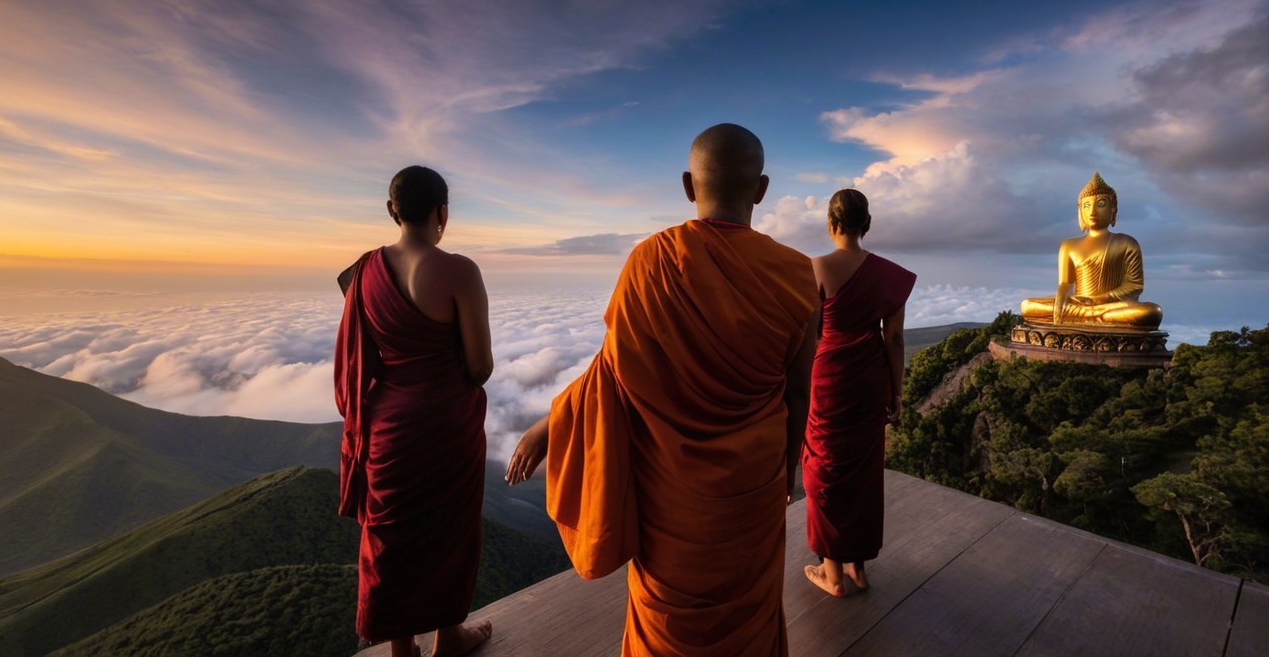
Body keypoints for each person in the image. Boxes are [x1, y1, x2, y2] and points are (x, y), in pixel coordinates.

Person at [506, 123, 819, 656]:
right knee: (750, 613)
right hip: (753, 486)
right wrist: (785, 474)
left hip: (669, 496)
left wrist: (549, 425)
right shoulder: (796, 273)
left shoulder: (650, 261)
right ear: (762, 190)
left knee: (667, 628)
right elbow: (798, 395)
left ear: (687, 186)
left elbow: (612, 374)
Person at [334, 165, 493, 657]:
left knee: (393, 540)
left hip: (387, 428)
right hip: (447, 424)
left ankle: (401, 649)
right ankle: (450, 637)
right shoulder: (460, 271)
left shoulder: (362, 273)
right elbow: (480, 367)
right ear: (442, 212)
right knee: (451, 533)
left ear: (392, 210)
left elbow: (365, 356)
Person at [801, 188, 916, 597]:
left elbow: (809, 335)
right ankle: (858, 568)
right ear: (867, 224)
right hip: (870, 377)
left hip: (829, 378)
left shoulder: (816, 268)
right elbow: (895, 339)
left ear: (831, 224)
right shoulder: (889, 274)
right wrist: (896, 391)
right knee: (864, 473)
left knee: (824, 468)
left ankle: (831, 574)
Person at [1019, 171, 1162, 329]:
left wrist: (1100, 300)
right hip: (1079, 304)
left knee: (1151, 312)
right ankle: (1093, 316)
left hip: (1110, 306)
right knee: (1027, 306)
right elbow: (1065, 284)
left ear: (1113, 210)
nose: (1092, 211)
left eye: (1100, 204)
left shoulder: (1126, 243)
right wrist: (1061, 305)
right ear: (1080, 211)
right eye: (1087, 205)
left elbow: (1134, 286)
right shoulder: (1069, 245)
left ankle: (1088, 316)